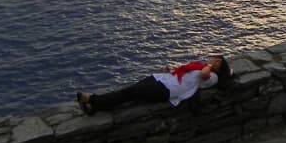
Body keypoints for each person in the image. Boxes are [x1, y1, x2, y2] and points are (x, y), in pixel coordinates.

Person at [76, 55, 231, 115]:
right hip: (160, 79)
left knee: (129, 93)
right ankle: (95, 107)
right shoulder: (197, 66)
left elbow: (203, 76)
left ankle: (92, 99)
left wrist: (210, 66)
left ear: (219, 69)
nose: (214, 61)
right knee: (129, 94)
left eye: (218, 62)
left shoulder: (212, 76)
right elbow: (182, 75)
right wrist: (168, 71)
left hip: (167, 90)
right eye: (215, 58)